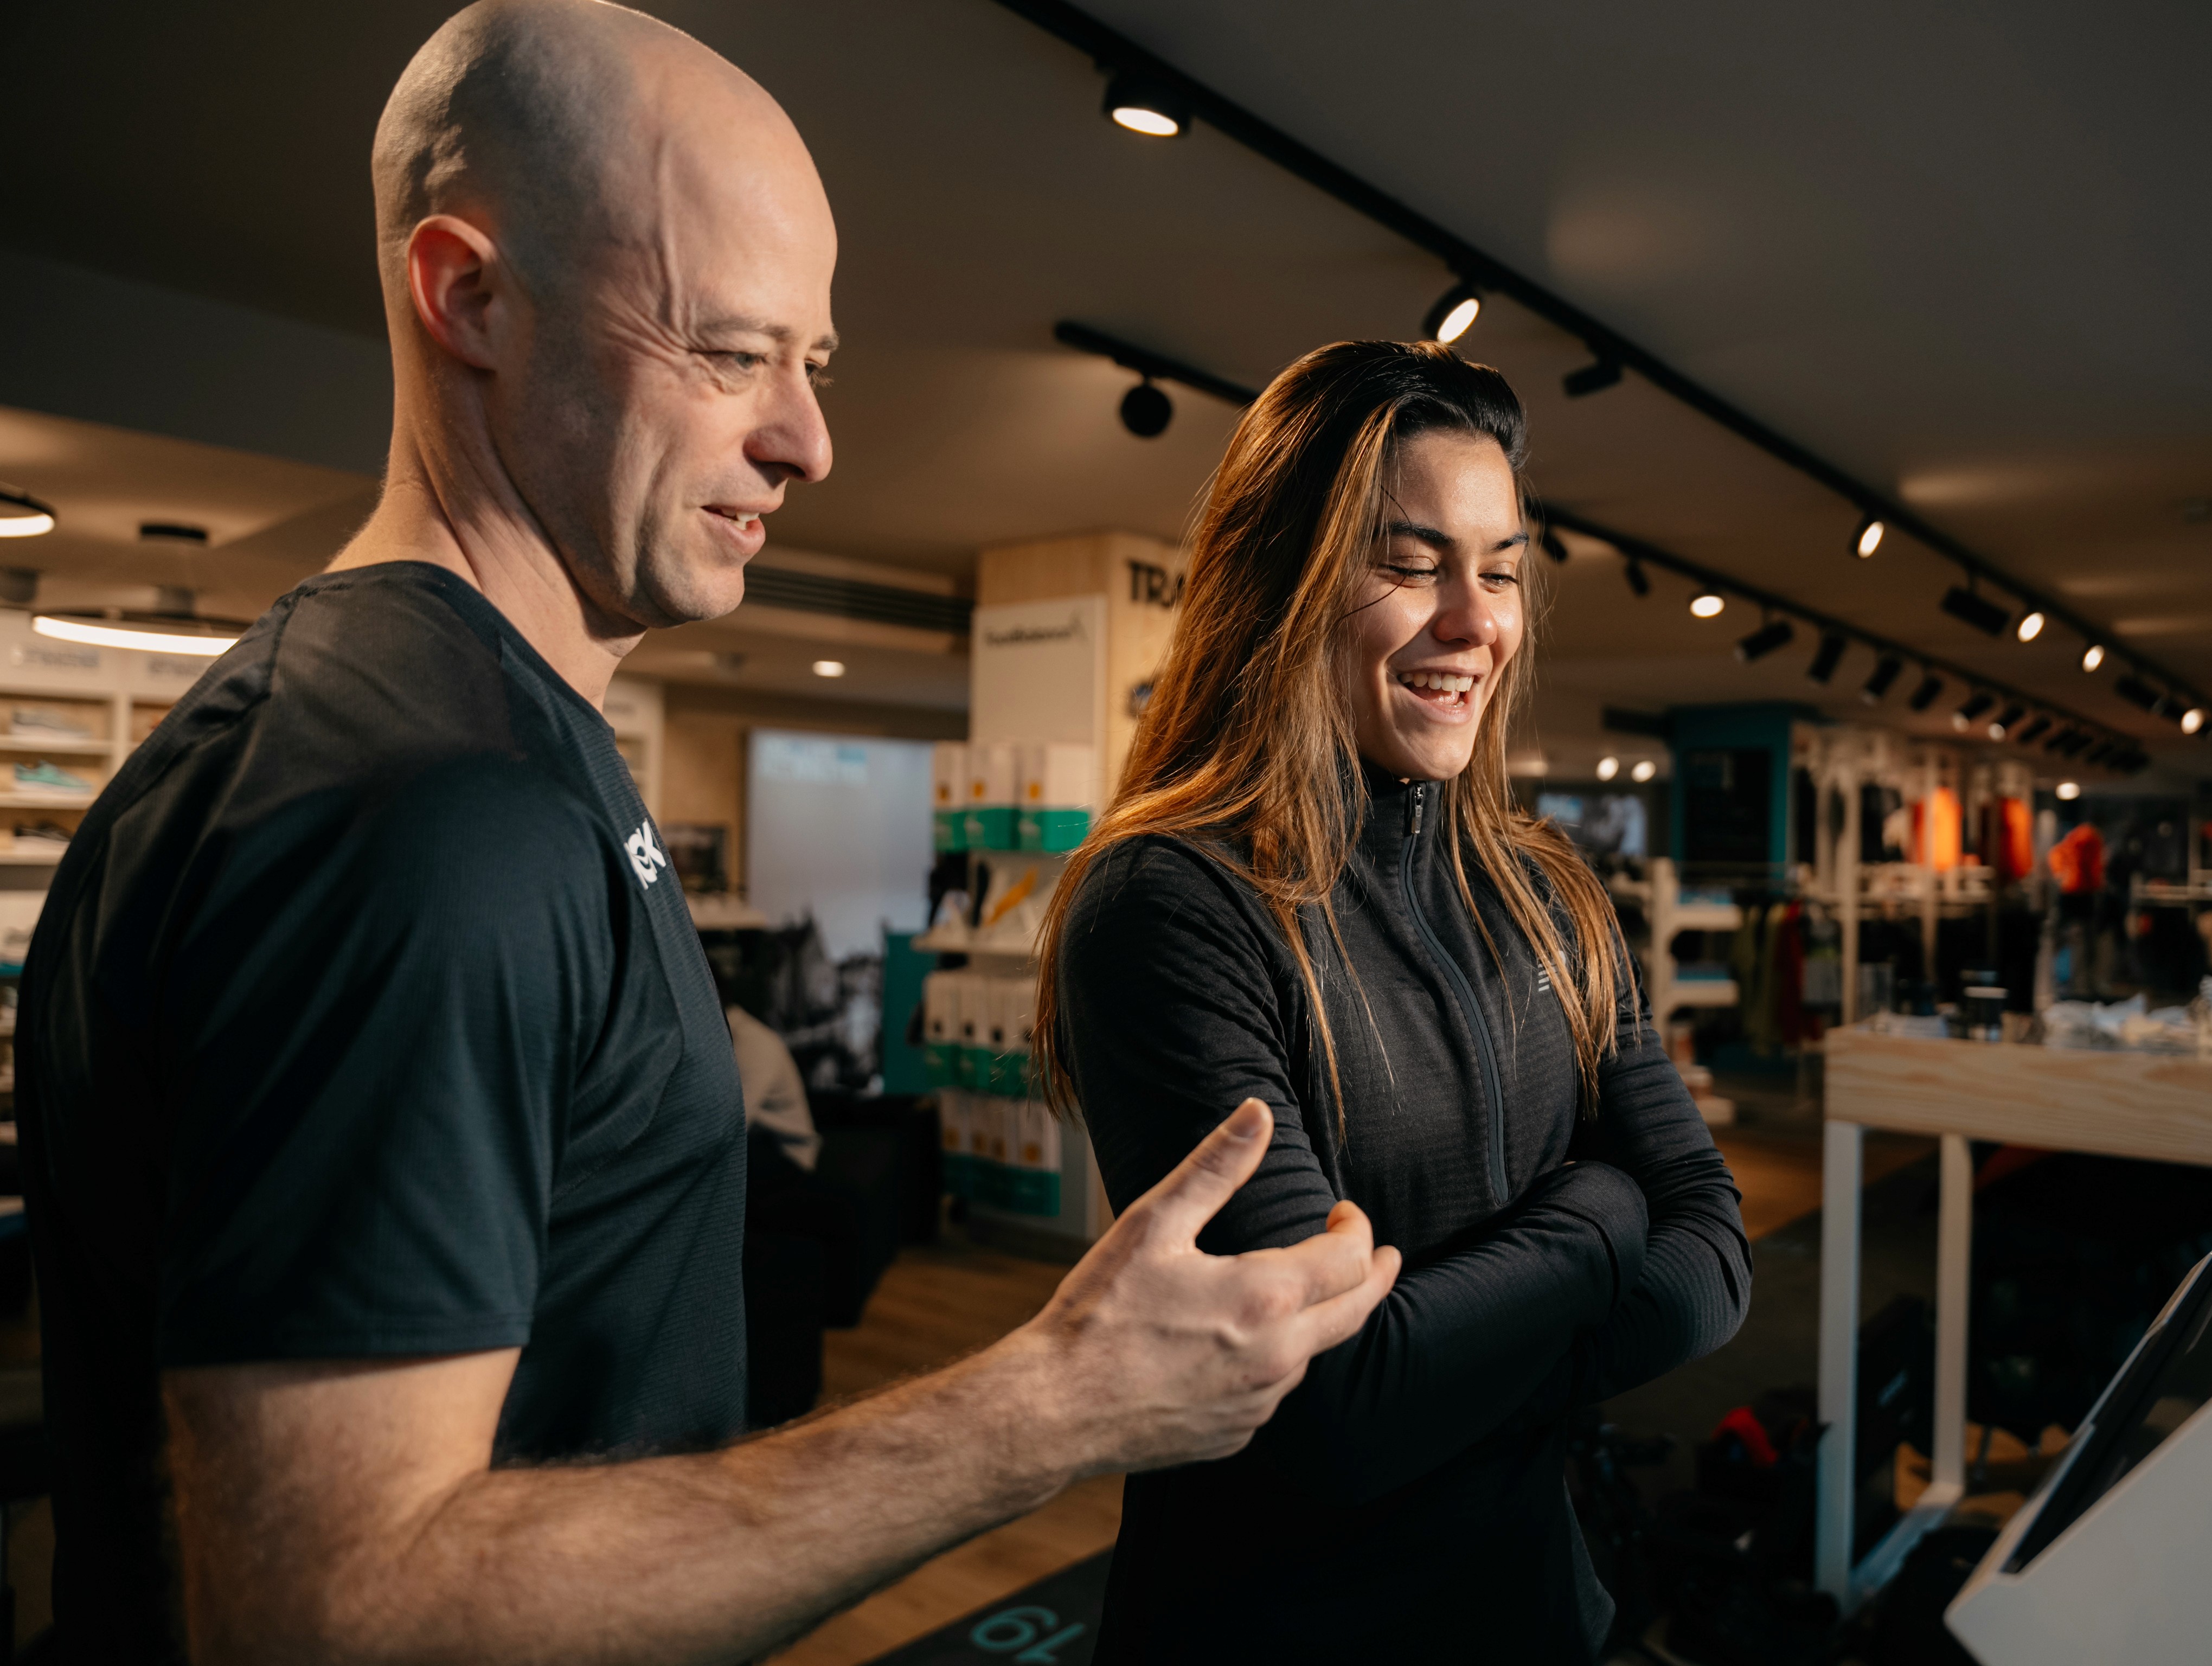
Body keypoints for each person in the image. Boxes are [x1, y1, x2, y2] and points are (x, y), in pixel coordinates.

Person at [15, 4, 1397, 1661]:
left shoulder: (482, 745)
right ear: (468, 298)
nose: (809, 441)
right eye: (733, 354)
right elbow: (330, 1612)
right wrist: (1052, 1406)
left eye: (812, 365)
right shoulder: (423, 812)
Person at [1038, 340, 1754, 1663]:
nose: (1474, 621)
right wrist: (1601, 1217)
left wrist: (1447, 1345)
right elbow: (1338, 1410)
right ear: (1284, 585)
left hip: (1538, 1617)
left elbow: (1714, 1257)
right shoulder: (1171, 907)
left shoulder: (1551, 893)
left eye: (1499, 570)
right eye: (1412, 563)